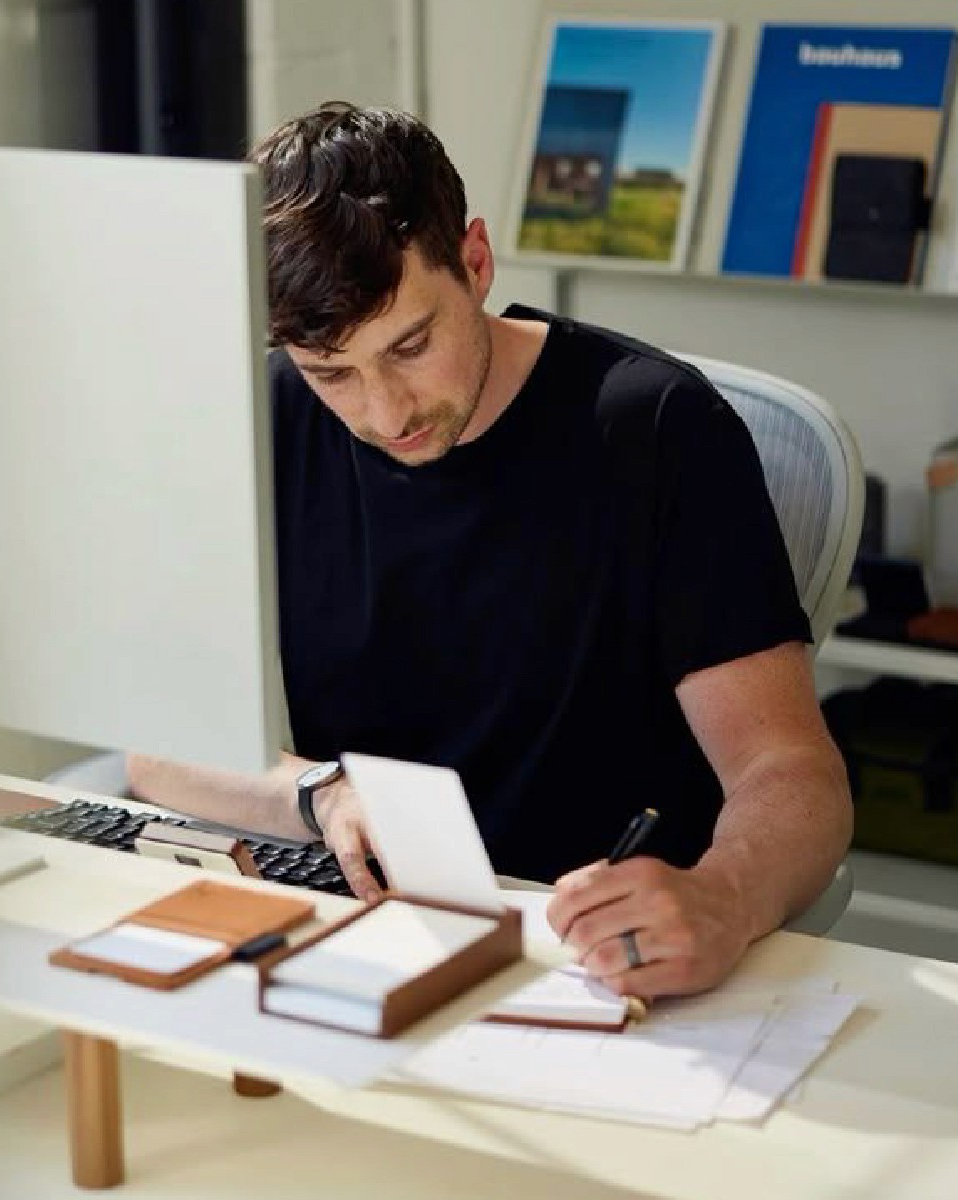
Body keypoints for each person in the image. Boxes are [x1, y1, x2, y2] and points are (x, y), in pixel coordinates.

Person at [129, 102, 852, 1000]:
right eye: (333, 373)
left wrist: (726, 895)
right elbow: (157, 745)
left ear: (475, 263)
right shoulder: (275, 415)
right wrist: (321, 793)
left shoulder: (658, 429)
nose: (384, 412)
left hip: (595, 957)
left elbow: (791, 772)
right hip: (380, 937)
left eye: (410, 345)